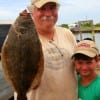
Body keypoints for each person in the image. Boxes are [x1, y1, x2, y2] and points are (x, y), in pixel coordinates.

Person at [14, 0, 78, 100]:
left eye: (52, 8)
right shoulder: (19, 37)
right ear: (32, 11)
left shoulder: (67, 34)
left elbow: (78, 64)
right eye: (42, 9)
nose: (48, 14)